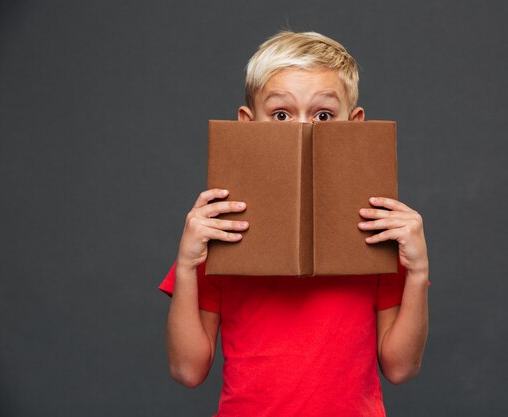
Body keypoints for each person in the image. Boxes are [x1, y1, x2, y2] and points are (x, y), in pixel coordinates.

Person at [159, 31, 429, 417]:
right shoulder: (220, 230)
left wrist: (417, 272)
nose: (303, 129)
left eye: (323, 115)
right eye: (281, 115)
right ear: (248, 123)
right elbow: (187, 370)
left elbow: (401, 368)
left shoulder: (378, 231)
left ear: (353, 124)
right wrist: (186, 265)